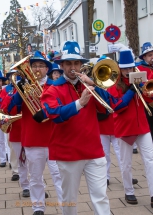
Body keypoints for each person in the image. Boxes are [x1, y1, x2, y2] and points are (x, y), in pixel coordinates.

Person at [41, 41, 110, 215]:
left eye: (76, 63)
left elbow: (109, 106)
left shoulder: (88, 85)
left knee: (101, 197)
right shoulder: (52, 89)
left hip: (94, 150)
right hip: (68, 153)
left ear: (81, 65)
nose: (73, 67)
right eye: (69, 63)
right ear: (62, 65)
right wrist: (79, 103)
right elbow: (54, 114)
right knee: (69, 200)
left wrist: (94, 84)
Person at [1, 51, 62, 215]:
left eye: (41, 66)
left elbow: (61, 110)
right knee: (35, 177)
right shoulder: (23, 88)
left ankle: (67, 208)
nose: (37, 69)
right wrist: (18, 93)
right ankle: (38, 207)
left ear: (47, 69)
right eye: (34, 65)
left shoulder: (55, 86)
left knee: (60, 177)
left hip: (54, 139)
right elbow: (8, 108)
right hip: (33, 139)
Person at [107, 50, 153, 207]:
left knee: (150, 161)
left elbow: (149, 97)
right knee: (126, 163)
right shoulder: (114, 84)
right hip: (125, 129)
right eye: (125, 69)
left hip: (143, 127)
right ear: (120, 69)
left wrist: (145, 89)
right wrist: (131, 91)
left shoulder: (139, 79)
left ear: (134, 68)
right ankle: (129, 192)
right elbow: (117, 107)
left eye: (130, 68)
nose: (128, 72)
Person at [0, 68, 30, 196]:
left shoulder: (36, 88)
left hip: (32, 131)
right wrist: (19, 93)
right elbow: (5, 108)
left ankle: (38, 187)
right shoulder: (9, 90)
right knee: (21, 160)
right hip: (17, 129)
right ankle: (25, 186)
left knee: (35, 163)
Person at [137, 42, 153, 141]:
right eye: (150, 55)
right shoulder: (139, 68)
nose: (152, 57)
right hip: (148, 103)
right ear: (144, 57)